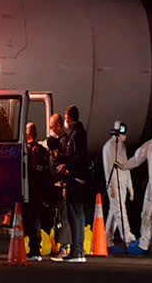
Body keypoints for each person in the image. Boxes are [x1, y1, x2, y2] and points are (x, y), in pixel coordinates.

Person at [116, 117, 152, 256]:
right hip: (151, 187)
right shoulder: (149, 145)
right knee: (146, 216)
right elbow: (137, 158)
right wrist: (124, 166)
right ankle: (144, 244)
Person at [54, 105, 89, 263]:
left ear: (70, 118)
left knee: (74, 216)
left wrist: (64, 164)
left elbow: (76, 157)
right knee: (79, 216)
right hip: (81, 180)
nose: (65, 120)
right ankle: (79, 251)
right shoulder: (81, 133)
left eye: (66, 117)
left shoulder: (75, 135)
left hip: (74, 179)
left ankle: (75, 252)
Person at [102, 121, 136, 250]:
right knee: (120, 212)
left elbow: (126, 166)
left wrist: (130, 186)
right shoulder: (108, 147)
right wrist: (111, 187)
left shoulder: (122, 147)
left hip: (122, 184)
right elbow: (108, 168)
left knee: (114, 213)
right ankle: (128, 239)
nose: (125, 136)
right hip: (115, 185)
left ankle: (106, 240)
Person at [47, 114, 72, 261]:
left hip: (64, 184)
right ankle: (64, 247)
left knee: (64, 216)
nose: (51, 129)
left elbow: (64, 163)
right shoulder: (62, 141)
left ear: (58, 125)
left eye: (51, 126)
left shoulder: (64, 142)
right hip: (62, 184)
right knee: (62, 216)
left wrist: (60, 173)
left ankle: (64, 248)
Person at [24, 122, 50, 261]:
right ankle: (35, 248)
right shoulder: (42, 150)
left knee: (32, 220)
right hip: (40, 190)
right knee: (36, 219)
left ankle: (34, 250)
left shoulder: (30, 150)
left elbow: (31, 171)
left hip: (31, 189)